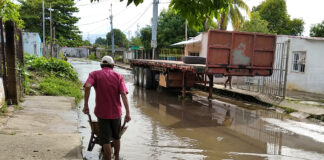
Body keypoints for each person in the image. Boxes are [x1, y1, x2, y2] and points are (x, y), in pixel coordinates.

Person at [83, 56, 131, 160]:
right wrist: (128, 113)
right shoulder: (118, 76)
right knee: (116, 137)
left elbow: (87, 86)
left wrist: (86, 105)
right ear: (113, 65)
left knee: (105, 140)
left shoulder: (94, 74)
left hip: (102, 113)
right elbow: (123, 93)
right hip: (116, 113)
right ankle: (117, 157)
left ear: (101, 65)